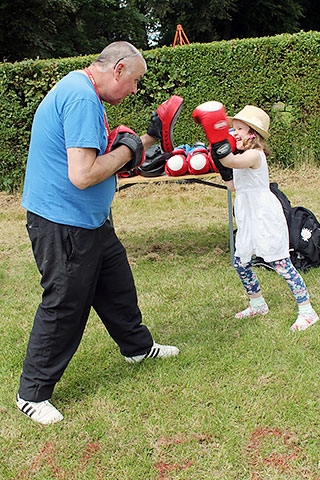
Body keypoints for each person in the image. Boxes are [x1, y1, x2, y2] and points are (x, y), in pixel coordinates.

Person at [16, 41, 183, 425]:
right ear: (119, 69)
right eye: (136, 81)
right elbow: (84, 174)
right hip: (64, 223)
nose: (136, 90)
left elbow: (105, 159)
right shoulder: (82, 99)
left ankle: (137, 348)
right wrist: (129, 151)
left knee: (116, 284)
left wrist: (147, 140)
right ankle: (32, 393)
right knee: (65, 304)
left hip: (89, 219)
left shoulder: (80, 89)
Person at [192, 102, 319, 332]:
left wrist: (218, 145)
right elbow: (233, 186)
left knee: (281, 263)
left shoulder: (254, 155)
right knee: (240, 262)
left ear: (253, 134)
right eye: (233, 129)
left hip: (264, 215)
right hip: (247, 213)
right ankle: (257, 303)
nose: (234, 133)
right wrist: (221, 164)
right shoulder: (242, 155)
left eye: (239, 129)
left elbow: (230, 160)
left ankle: (307, 311)